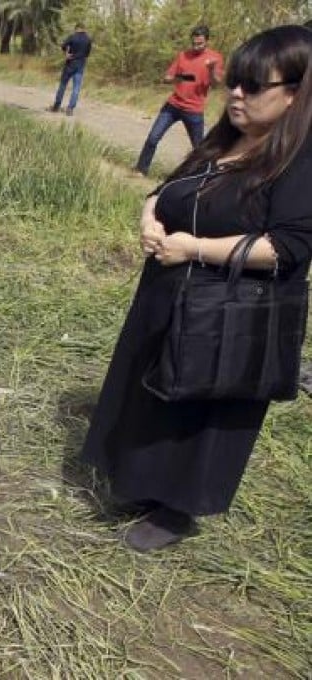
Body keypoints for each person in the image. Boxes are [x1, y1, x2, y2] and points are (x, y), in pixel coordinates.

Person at [81, 25, 312, 552]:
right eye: (234, 82)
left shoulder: (299, 161)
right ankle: (140, 483)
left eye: (254, 86)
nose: (235, 94)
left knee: (202, 405)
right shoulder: (223, 141)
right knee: (154, 391)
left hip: (230, 311)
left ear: (294, 94)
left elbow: (288, 246)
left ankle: (177, 508)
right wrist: (150, 218)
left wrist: (194, 249)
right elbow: (166, 190)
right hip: (170, 293)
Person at [134, 26, 225, 177]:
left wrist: (211, 69)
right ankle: (140, 170)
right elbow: (167, 77)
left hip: (194, 110)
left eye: (200, 44)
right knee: (153, 138)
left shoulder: (215, 58)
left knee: (199, 149)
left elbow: (216, 84)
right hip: (173, 105)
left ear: (207, 41)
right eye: (194, 43)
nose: (196, 46)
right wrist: (177, 78)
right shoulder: (183, 55)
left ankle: (203, 178)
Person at [50, 23, 92, 116]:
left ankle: (56, 106)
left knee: (63, 85)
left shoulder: (73, 37)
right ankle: (70, 109)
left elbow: (63, 45)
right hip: (80, 65)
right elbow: (87, 54)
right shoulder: (88, 39)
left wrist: (66, 53)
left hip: (70, 64)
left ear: (76, 28)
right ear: (84, 28)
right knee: (76, 88)